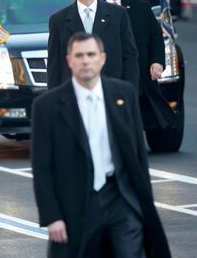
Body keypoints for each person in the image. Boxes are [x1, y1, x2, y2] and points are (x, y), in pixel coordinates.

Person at [31, 32, 171, 258]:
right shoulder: (47, 106)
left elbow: (137, 156)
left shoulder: (123, 95)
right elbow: (42, 167)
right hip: (78, 203)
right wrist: (52, 217)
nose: (85, 61)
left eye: (91, 54)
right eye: (79, 55)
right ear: (69, 61)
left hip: (121, 199)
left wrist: (145, 204)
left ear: (102, 59)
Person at [100, 0, 176, 132]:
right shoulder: (94, 10)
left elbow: (155, 38)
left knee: (148, 119)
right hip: (108, 78)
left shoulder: (141, 7)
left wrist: (157, 62)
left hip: (140, 76)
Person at [46, 0, 138, 90]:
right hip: (73, 94)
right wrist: (55, 100)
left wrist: (129, 91)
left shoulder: (118, 14)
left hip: (112, 90)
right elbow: (54, 65)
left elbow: (130, 56)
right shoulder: (58, 20)